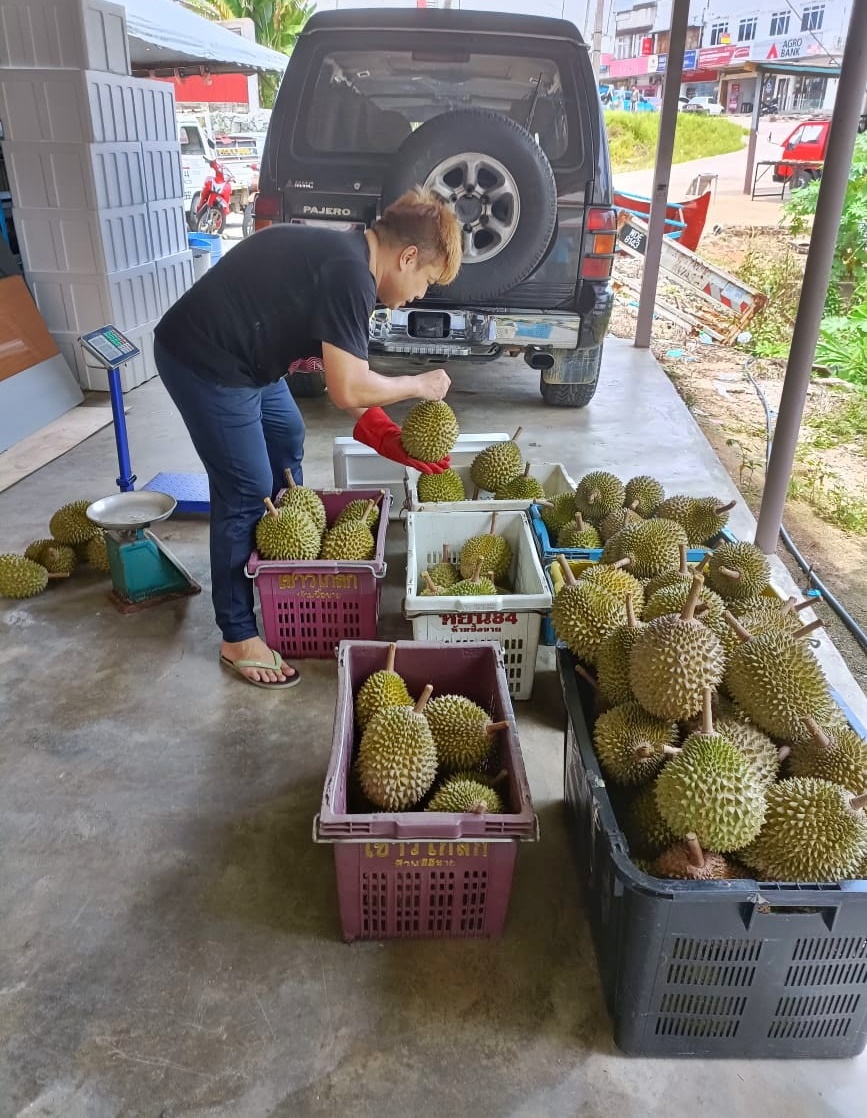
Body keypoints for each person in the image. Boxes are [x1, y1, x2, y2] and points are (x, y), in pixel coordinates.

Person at [153, 189, 462, 689]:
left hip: (250, 358)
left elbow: (344, 379)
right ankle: (236, 633)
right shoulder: (349, 273)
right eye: (426, 279)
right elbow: (348, 388)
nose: (420, 294)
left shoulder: (346, 258)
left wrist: (390, 439)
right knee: (246, 486)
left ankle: (271, 560)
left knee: (286, 432)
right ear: (406, 256)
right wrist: (418, 384)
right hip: (204, 358)